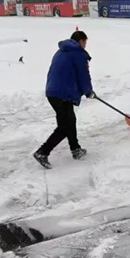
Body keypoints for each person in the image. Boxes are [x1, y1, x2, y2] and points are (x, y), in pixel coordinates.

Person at [34, 31, 94, 169]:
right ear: (80, 41)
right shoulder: (78, 53)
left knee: (69, 121)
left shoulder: (62, 51)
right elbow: (83, 75)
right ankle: (42, 152)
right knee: (65, 126)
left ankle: (75, 149)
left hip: (53, 92)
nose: (85, 45)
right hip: (62, 94)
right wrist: (88, 91)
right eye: (85, 42)